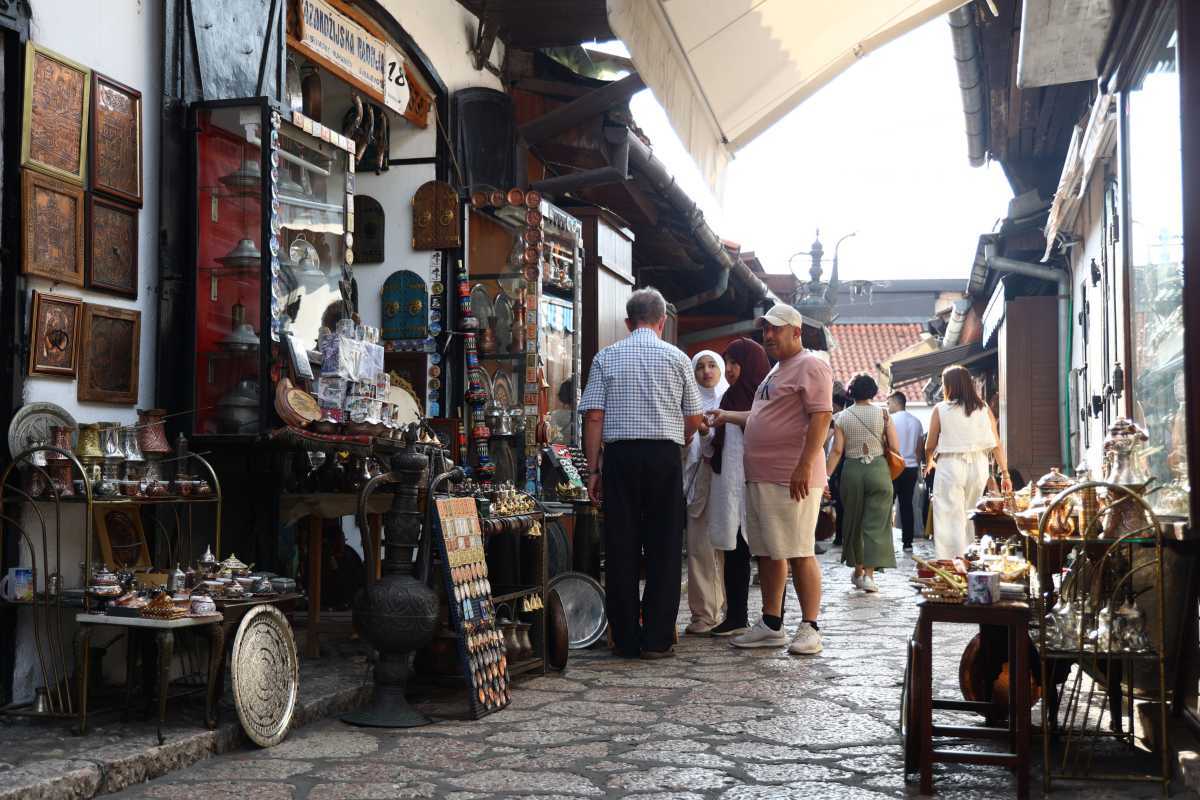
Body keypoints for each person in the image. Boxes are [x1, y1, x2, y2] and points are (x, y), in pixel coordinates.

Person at [580, 287, 703, 659]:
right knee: (665, 546)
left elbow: (594, 416)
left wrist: (593, 469)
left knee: (621, 546)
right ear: (662, 321)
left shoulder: (607, 357)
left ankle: (627, 637)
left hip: (620, 457)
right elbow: (694, 417)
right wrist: (676, 440)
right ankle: (657, 638)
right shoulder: (678, 358)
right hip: (664, 456)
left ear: (628, 322)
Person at [709, 304, 833, 655]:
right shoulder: (777, 370)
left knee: (798, 550)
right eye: (766, 330)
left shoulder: (811, 365)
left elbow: (821, 417)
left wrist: (804, 466)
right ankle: (771, 622)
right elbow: (763, 416)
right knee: (768, 551)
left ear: (796, 331)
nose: (768, 336)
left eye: (776, 329)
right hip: (763, 474)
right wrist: (726, 416)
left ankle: (810, 626)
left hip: (791, 475)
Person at [705, 338, 772, 637]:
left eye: (735, 363)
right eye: (727, 363)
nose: (729, 369)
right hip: (732, 485)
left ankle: (773, 618)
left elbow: (766, 426)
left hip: (759, 482)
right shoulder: (729, 398)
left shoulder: (766, 398)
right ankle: (736, 616)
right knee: (735, 552)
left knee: (770, 553)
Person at [924, 365, 1012, 559]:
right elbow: (996, 443)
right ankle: (970, 558)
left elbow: (929, 445)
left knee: (948, 516)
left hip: (950, 464)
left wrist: (930, 460)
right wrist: (1005, 473)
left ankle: (950, 561)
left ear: (949, 386)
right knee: (972, 514)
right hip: (978, 465)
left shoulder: (941, 409)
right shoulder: (983, 408)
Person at [826, 374, 898, 592]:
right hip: (878, 470)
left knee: (854, 522)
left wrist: (826, 477)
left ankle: (857, 570)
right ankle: (868, 576)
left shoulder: (841, 417)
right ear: (874, 391)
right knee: (876, 524)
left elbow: (837, 450)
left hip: (852, 471)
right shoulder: (883, 414)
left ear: (851, 393)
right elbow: (895, 446)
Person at [683, 350, 729, 635]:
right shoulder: (688, 405)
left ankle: (726, 609)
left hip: (726, 482)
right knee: (700, 548)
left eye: (712, 365)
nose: (706, 371)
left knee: (725, 548)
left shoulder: (731, 401)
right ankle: (703, 614)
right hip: (699, 482)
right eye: (699, 367)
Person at [887, 390, 925, 550]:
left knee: (887, 504)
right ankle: (907, 543)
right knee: (906, 505)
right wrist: (916, 468)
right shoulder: (916, 422)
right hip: (910, 468)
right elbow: (919, 448)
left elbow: (886, 444)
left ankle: (885, 541)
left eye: (889, 403)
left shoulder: (890, 420)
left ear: (897, 403)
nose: (887, 406)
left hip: (894, 466)